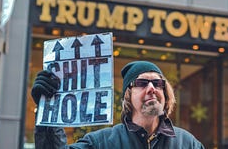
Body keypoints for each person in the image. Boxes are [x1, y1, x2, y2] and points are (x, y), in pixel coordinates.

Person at [31, 60, 205, 149]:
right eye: (142, 83)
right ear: (128, 96)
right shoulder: (101, 143)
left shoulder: (188, 144)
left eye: (158, 83)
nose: (152, 88)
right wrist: (48, 109)